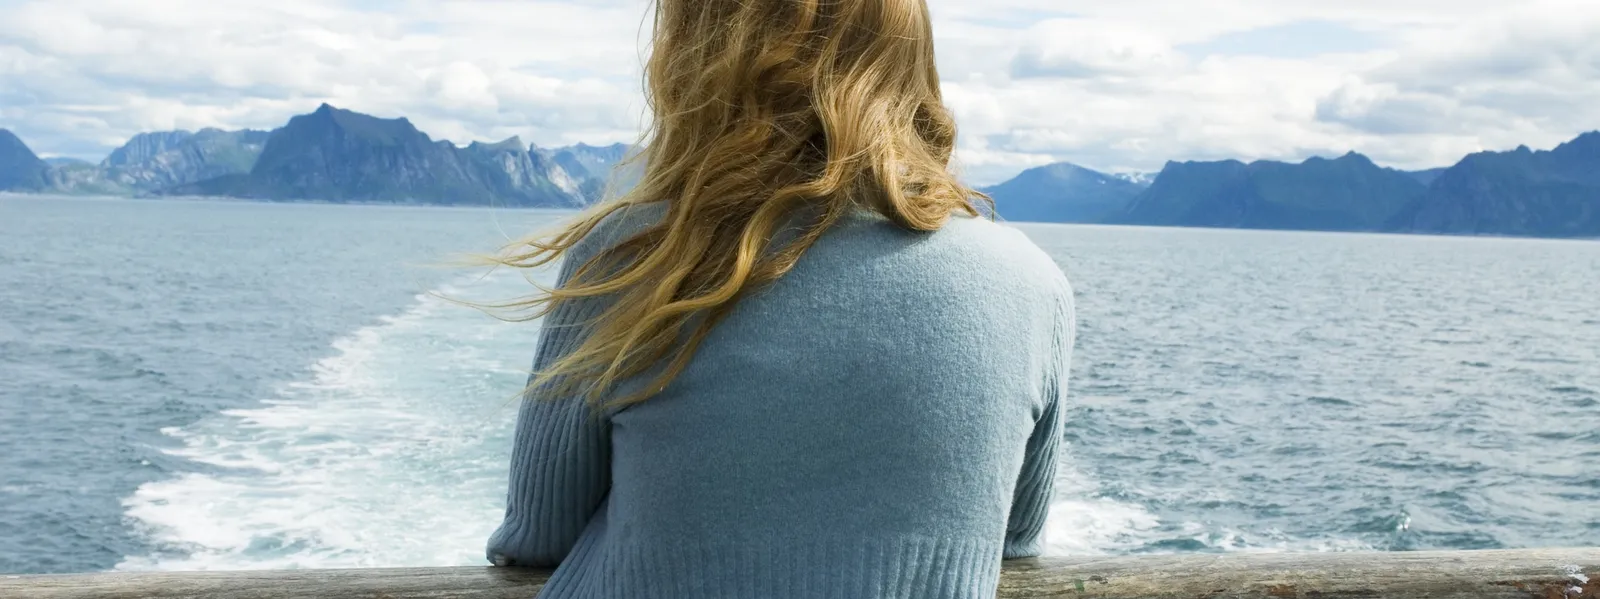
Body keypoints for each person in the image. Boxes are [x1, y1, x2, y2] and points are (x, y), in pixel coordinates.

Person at [483, 0, 1076, 596]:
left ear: (694, 63)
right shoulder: (1032, 281)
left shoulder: (631, 255)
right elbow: (1015, 538)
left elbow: (540, 533)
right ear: (911, 63)